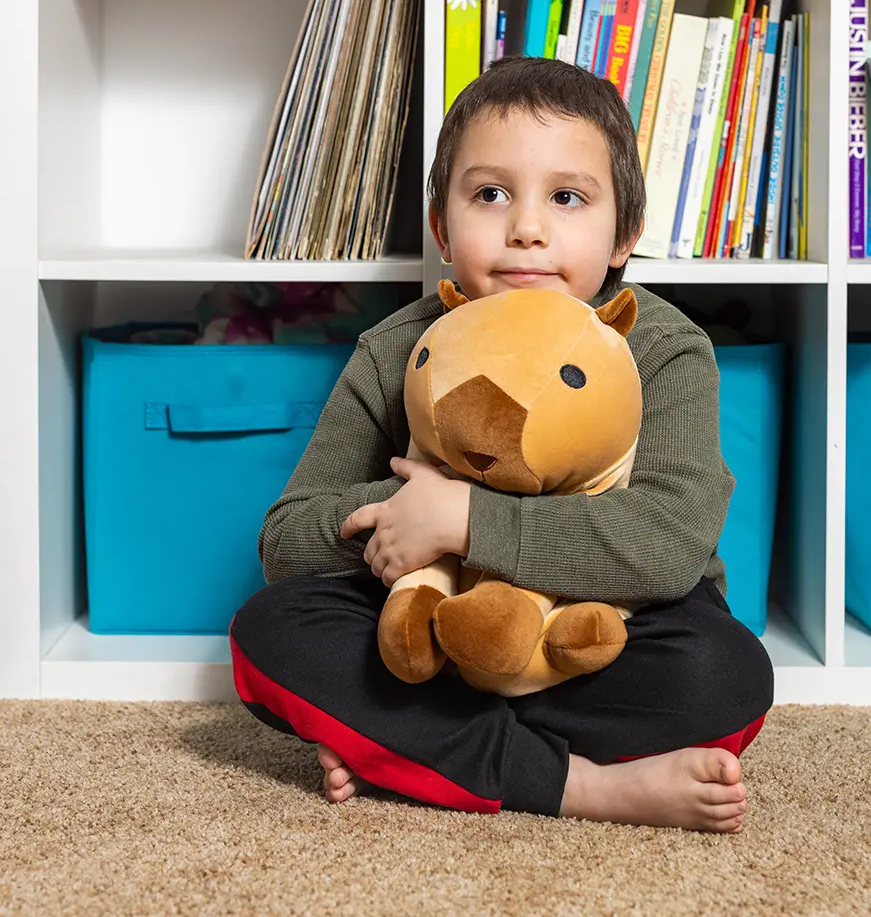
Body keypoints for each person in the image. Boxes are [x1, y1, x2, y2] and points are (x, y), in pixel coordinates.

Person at [229, 55, 774, 833]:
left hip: (600, 635)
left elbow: (667, 545)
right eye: (490, 194)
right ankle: (582, 786)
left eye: (567, 197)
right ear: (442, 229)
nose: (526, 226)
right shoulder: (399, 349)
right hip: (428, 635)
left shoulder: (661, 347)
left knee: (726, 677)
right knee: (269, 633)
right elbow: (287, 541)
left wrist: (467, 518)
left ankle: (411, 750)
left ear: (625, 234)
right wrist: (409, 513)